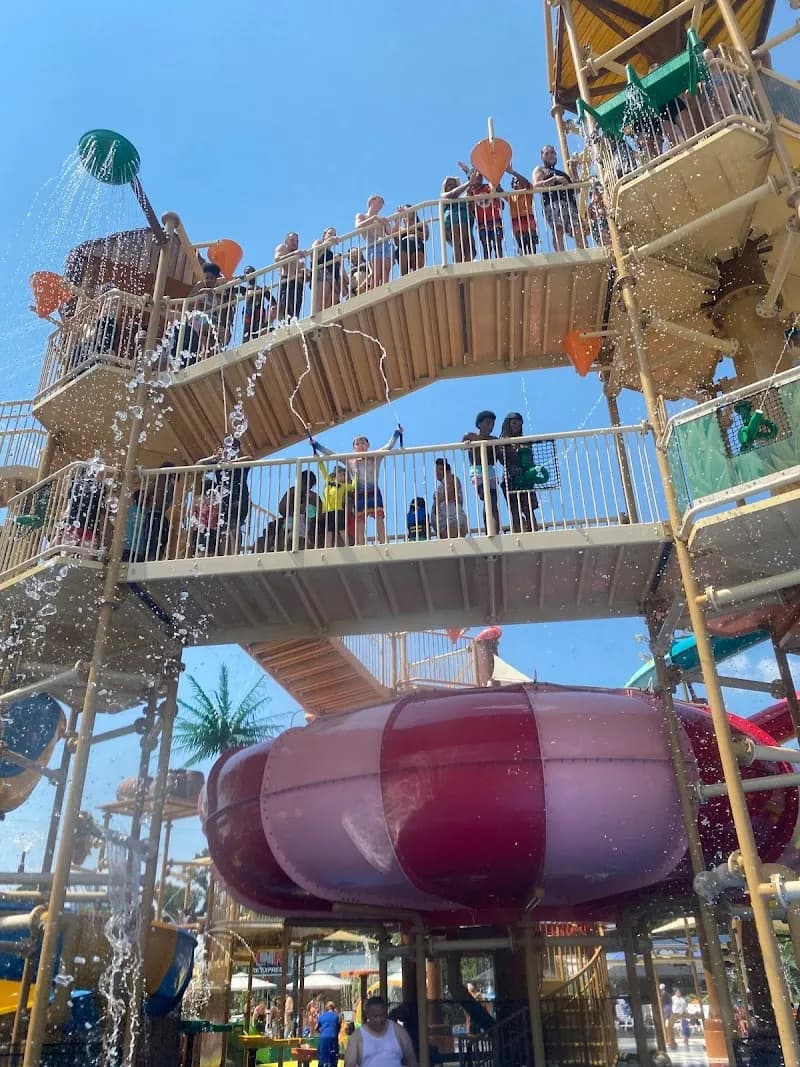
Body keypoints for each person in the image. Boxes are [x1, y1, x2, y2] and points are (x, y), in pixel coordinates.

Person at [312, 427, 403, 545]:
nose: (360, 445)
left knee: (379, 518)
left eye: (363, 443)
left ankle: (383, 542)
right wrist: (316, 445)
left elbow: (388, 446)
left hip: (373, 490)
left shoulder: (375, 456)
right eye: (357, 443)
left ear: (368, 445)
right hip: (359, 493)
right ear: (354, 448)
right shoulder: (350, 461)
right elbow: (331, 454)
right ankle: (360, 544)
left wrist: (396, 433)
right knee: (360, 521)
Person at [195, 438, 251, 554]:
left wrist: (229, 463)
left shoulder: (240, 463)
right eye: (229, 447)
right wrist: (213, 458)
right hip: (224, 504)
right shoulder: (220, 463)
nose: (231, 450)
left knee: (233, 526)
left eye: (234, 448)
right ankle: (219, 553)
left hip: (238, 502)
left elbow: (249, 459)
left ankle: (230, 554)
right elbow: (198, 466)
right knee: (222, 528)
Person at [532, 145, 585, 252]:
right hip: (552, 204)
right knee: (558, 229)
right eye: (547, 153)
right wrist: (554, 179)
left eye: (552, 153)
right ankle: (561, 254)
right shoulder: (540, 170)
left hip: (569, 204)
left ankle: (584, 252)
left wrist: (574, 170)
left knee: (577, 229)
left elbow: (577, 190)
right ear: (542, 157)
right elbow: (536, 185)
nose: (550, 155)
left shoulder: (563, 174)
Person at [344, 996, 418, 1067]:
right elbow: (349, 1064)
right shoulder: (357, 1037)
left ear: (386, 1012)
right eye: (375, 1016)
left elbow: (411, 1059)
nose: (379, 1020)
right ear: (367, 1015)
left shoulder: (398, 1031)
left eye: (382, 1015)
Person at [498, 412, 540, 533]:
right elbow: (502, 459)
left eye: (519, 423)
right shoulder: (502, 441)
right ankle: (518, 532)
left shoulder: (525, 440)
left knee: (528, 509)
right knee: (515, 510)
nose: (516, 426)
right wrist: (516, 451)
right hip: (510, 478)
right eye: (514, 423)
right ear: (508, 424)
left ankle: (533, 532)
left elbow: (529, 459)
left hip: (525, 477)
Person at [462, 410, 500, 534]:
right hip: (478, 471)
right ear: (479, 424)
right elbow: (463, 444)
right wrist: (467, 444)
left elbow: (496, 458)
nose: (490, 426)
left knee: (493, 501)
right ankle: (489, 529)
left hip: (490, 472)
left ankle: (494, 530)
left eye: (492, 424)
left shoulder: (493, 439)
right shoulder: (471, 436)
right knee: (486, 497)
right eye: (487, 423)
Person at [355, 195, 395, 288]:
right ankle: (375, 291)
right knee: (376, 273)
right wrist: (374, 218)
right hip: (372, 245)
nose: (381, 205)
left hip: (385, 243)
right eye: (379, 202)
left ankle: (385, 288)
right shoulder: (361, 216)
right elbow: (358, 226)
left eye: (382, 204)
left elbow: (390, 233)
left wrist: (398, 219)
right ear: (371, 202)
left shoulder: (382, 219)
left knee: (386, 269)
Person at [316, 458, 354, 547]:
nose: (342, 475)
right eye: (340, 473)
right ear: (335, 475)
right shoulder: (328, 481)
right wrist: (319, 460)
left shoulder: (343, 486)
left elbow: (353, 486)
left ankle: (347, 545)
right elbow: (323, 469)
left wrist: (355, 474)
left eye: (344, 474)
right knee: (328, 530)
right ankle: (327, 546)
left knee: (342, 528)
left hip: (339, 509)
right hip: (327, 510)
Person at [278, 470, 321, 549]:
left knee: (296, 520)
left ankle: (290, 537)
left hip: (305, 522)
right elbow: (282, 509)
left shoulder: (313, 497)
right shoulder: (293, 491)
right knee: (290, 521)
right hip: (294, 520)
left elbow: (281, 509)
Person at [441, 175, 478, 263]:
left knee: (470, 249)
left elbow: (472, 206)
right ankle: (458, 266)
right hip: (453, 222)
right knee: (458, 246)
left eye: (454, 184)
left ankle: (467, 268)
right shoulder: (444, 195)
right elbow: (453, 194)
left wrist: (471, 178)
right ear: (445, 188)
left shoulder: (463, 198)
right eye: (449, 185)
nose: (452, 186)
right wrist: (468, 183)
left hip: (466, 222)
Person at [312, 227, 348, 312]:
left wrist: (339, 262)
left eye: (334, 235)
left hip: (332, 279)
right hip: (321, 276)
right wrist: (328, 242)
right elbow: (314, 255)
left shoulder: (332, 255)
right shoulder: (319, 243)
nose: (332, 236)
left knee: (329, 304)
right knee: (320, 302)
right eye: (330, 234)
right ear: (324, 235)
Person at [505, 166, 539, 255]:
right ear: (512, 185)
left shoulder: (527, 191)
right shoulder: (511, 196)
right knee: (521, 243)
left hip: (528, 218)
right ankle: (523, 257)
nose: (518, 183)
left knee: (531, 240)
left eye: (519, 181)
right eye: (515, 182)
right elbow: (498, 190)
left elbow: (527, 183)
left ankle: (533, 257)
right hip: (517, 220)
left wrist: (513, 172)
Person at [275, 232, 309, 322]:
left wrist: (306, 272)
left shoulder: (299, 258)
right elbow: (277, 259)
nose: (295, 243)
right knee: (285, 307)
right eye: (292, 240)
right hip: (287, 281)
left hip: (298, 285)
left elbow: (306, 278)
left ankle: (293, 323)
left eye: (297, 241)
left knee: (295, 312)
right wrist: (293, 255)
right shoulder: (282, 248)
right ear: (286, 241)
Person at [432, 458, 468, 539]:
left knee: (453, 546)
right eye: (436, 470)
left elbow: (450, 493)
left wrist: (438, 501)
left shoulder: (451, 478)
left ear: (447, 471)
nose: (437, 472)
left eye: (440, 469)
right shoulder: (440, 487)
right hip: (445, 525)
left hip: (452, 522)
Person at [472, 174, 505, 259]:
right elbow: (471, 209)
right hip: (482, 222)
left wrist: (495, 186)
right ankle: (488, 262)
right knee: (485, 245)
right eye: (475, 178)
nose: (478, 179)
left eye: (480, 177)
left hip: (495, 220)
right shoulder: (471, 192)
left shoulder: (489, 187)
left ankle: (500, 260)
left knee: (497, 242)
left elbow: (502, 205)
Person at [242, 265, 277, 342]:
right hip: (248, 314)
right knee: (246, 335)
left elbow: (273, 301)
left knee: (258, 332)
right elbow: (232, 289)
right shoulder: (244, 290)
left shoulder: (261, 289)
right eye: (247, 273)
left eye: (252, 273)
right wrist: (238, 278)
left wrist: (270, 313)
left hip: (259, 313)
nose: (250, 275)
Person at [394, 205, 428, 276]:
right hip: (403, 245)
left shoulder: (421, 224)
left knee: (418, 272)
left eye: (409, 210)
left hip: (416, 243)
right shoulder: (401, 228)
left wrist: (414, 230)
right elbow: (396, 242)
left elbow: (425, 236)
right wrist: (399, 218)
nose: (407, 213)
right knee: (404, 275)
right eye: (405, 211)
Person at [317, 1000, 341, 1067]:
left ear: (326, 1008)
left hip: (323, 1037)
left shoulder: (322, 1016)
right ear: (334, 1008)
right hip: (333, 1037)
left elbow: (317, 1028)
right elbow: (338, 1028)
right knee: (333, 1056)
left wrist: (322, 1032)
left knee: (322, 1056)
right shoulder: (336, 1016)